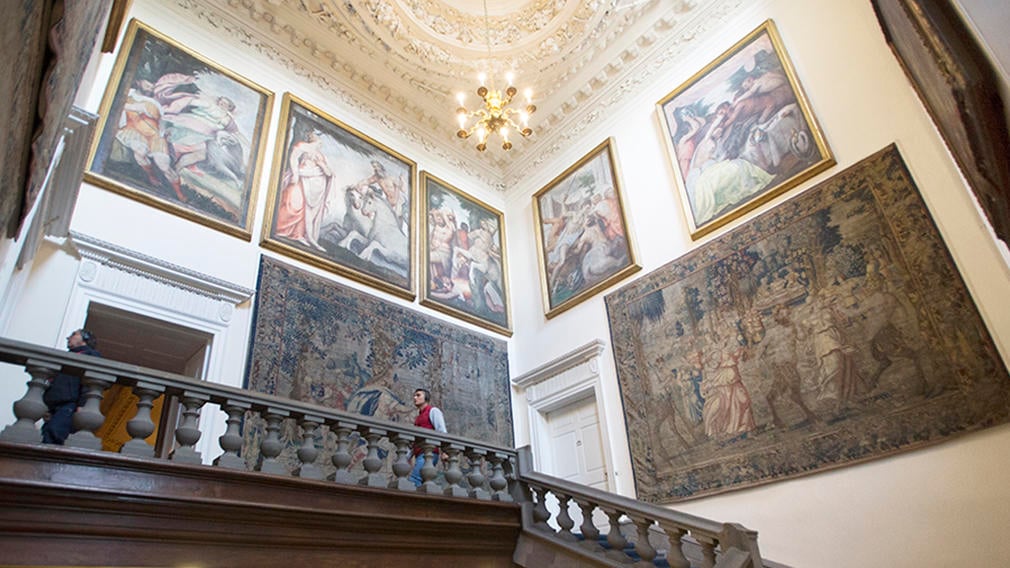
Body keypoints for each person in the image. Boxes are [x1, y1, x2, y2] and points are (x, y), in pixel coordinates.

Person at [41, 329, 102, 445]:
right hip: (55, 405)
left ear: (85, 339)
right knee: (46, 435)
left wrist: (82, 404)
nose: (68, 338)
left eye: (74, 335)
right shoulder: (66, 356)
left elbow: (89, 382)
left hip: (69, 404)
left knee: (55, 433)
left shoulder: (90, 355)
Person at [409, 388, 447, 487]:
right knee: (423, 483)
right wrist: (407, 457)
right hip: (420, 454)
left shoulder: (433, 411)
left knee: (414, 479)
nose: (415, 398)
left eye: (418, 395)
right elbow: (415, 440)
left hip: (429, 453)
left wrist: (445, 451)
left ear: (426, 398)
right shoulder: (418, 418)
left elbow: (441, 430)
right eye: (414, 395)